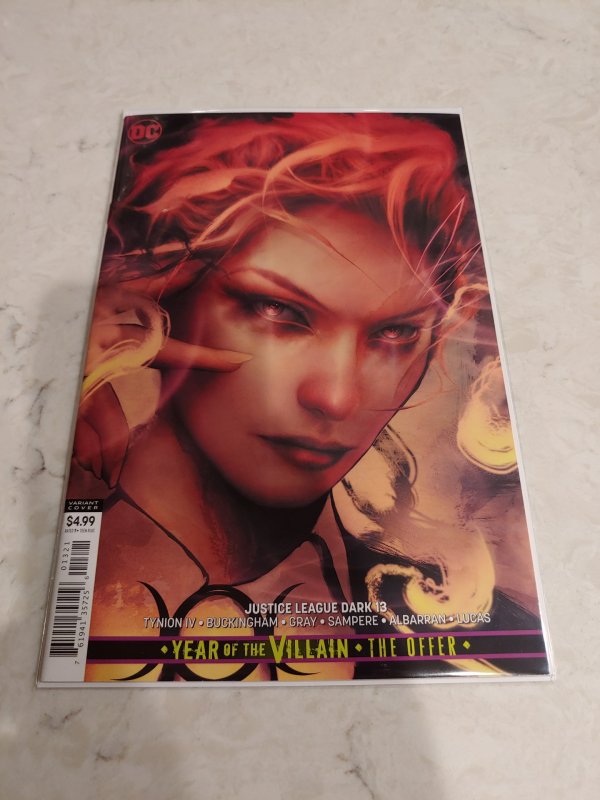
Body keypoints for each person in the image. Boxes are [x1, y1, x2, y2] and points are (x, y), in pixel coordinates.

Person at [69, 113, 536, 682]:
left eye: (395, 333)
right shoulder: (62, 547)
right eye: (276, 310)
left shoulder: (454, 635)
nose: (337, 398)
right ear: (166, 293)